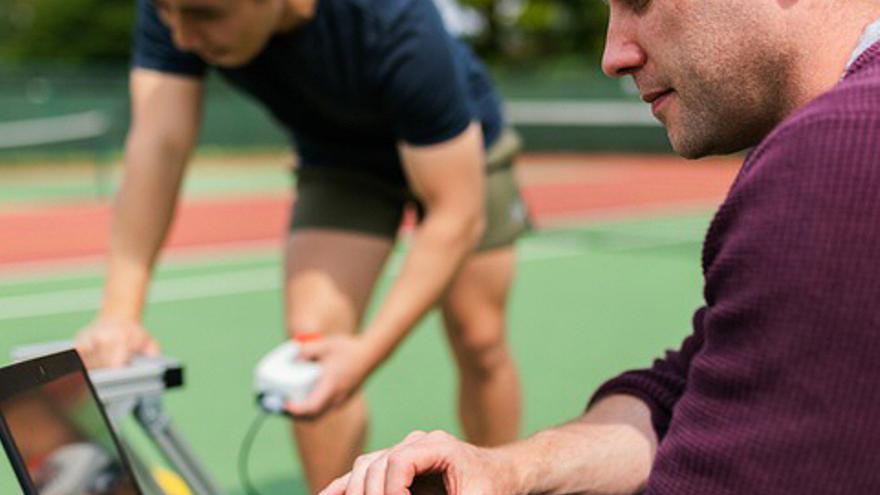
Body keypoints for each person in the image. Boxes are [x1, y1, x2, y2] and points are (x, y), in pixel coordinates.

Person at [320, 0, 880, 493]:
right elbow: (687, 386)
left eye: (640, 1)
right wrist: (508, 472)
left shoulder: (838, 152)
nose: (614, 55)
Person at [73, 0, 530, 491]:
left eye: (206, 15)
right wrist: (119, 313)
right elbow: (158, 144)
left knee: (479, 340)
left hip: (459, 155)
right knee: (312, 352)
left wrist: (368, 353)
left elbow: (455, 214)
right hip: (341, 163)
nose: (182, 37)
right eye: (170, 15)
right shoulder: (178, 8)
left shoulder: (394, 21)